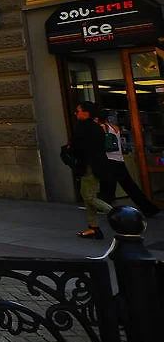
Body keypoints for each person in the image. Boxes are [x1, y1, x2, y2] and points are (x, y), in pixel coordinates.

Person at [94, 111, 159, 218]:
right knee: (129, 186)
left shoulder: (102, 127)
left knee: (108, 185)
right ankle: (148, 208)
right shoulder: (115, 127)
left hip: (109, 159)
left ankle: (104, 206)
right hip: (119, 159)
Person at [68, 102, 114, 239]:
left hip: (89, 166)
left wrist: (70, 150)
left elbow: (78, 147)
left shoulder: (84, 127)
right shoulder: (96, 127)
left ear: (86, 113)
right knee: (86, 194)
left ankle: (120, 214)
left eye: (78, 110)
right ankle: (93, 226)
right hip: (95, 165)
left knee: (89, 196)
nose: (76, 113)